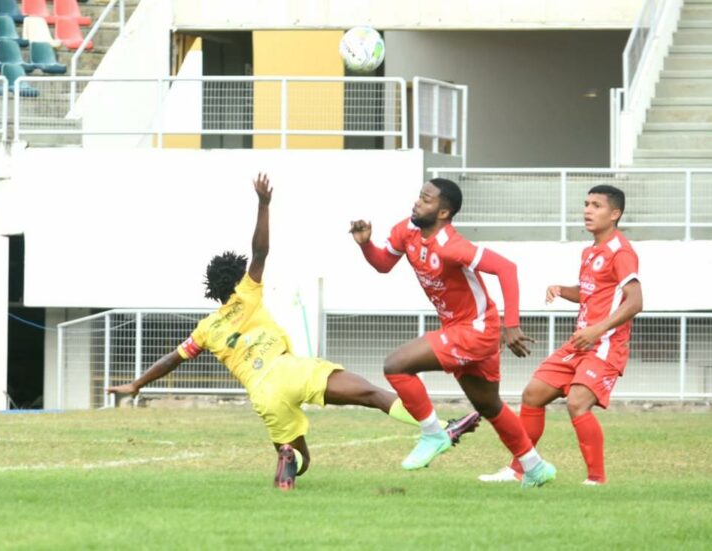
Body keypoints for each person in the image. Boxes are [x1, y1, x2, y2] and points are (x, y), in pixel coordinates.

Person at [106, 173, 480, 491]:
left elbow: (172, 359)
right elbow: (260, 252)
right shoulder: (246, 293)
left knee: (301, 459)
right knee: (373, 395)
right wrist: (263, 204)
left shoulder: (206, 329)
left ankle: (287, 455)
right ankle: (440, 429)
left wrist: (137, 384)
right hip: (291, 370)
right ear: (236, 278)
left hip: (262, 393)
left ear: (212, 289)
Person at [350, 178, 556, 488]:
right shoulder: (406, 230)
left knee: (396, 365)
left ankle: (434, 434)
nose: (417, 203)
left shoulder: (452, 245)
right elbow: (383, 264)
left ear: (443, 212)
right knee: (489, 406)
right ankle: (535, 467)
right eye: (419, 196)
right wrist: (366, 244)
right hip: (463, 329)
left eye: (426, 200)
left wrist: (511, 324)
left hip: (475, 330)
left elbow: (507, 268)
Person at [478, 184, 642, 486]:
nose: (587, 210)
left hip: (605, 345)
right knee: (533, 394)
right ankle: (520, 469)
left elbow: (635, 301)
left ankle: (596, 480)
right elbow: (592, 293)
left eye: (596, 206)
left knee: (577, 403)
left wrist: (598, 329)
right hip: (580, 342)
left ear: (615, 214)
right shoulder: (590, 251)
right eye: (586, 204)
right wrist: (563, 290)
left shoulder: (621, 252)